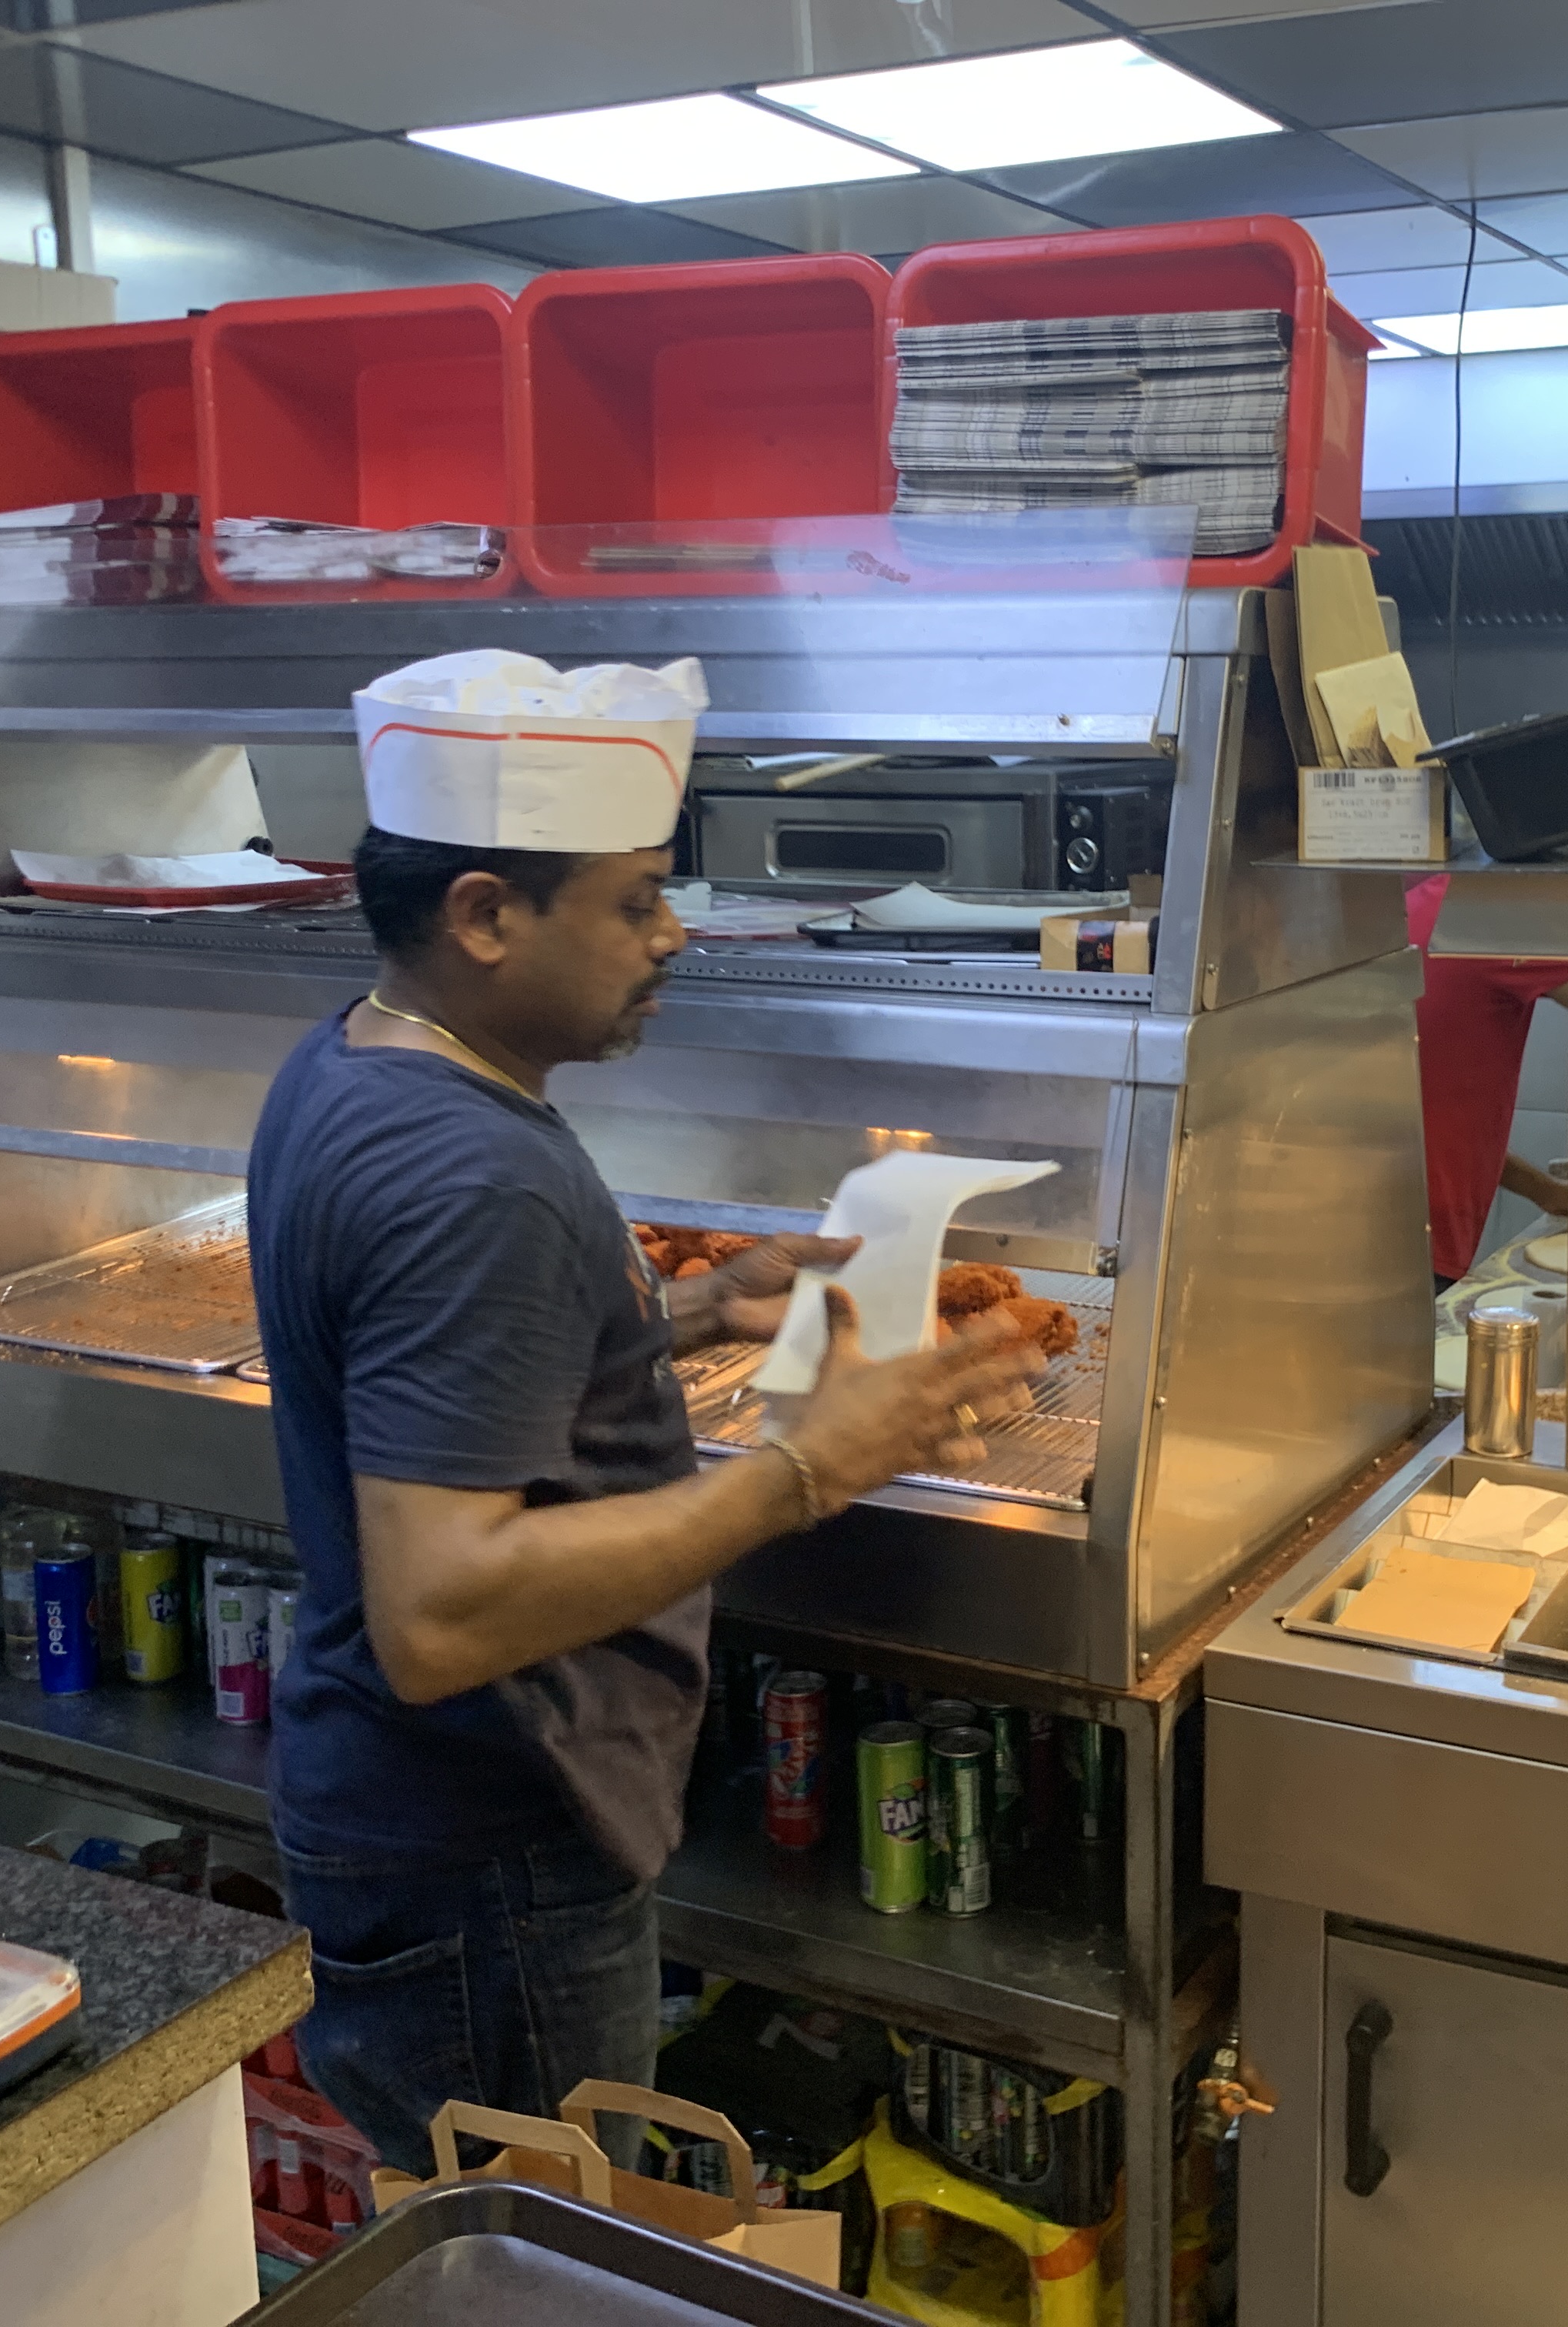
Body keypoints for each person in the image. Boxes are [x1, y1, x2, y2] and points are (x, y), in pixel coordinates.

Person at [249, 672, 1041, 2172]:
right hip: (494, 1845)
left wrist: (676, 1313)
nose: (671, 935)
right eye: (634, 902)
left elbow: (431, 1369)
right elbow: (442, 1609)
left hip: (417, 1817)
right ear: (486, 914)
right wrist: (809, 1466)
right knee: (541, 2253)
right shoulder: (474, 1173)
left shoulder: (362, 1059)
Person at [1409, 874, 1568, 1287]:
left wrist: (1547, 1192)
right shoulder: (1495, 917)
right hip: (1417, 1234)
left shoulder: (1430, 903)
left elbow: (1439, 1121)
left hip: (1395, 1214)